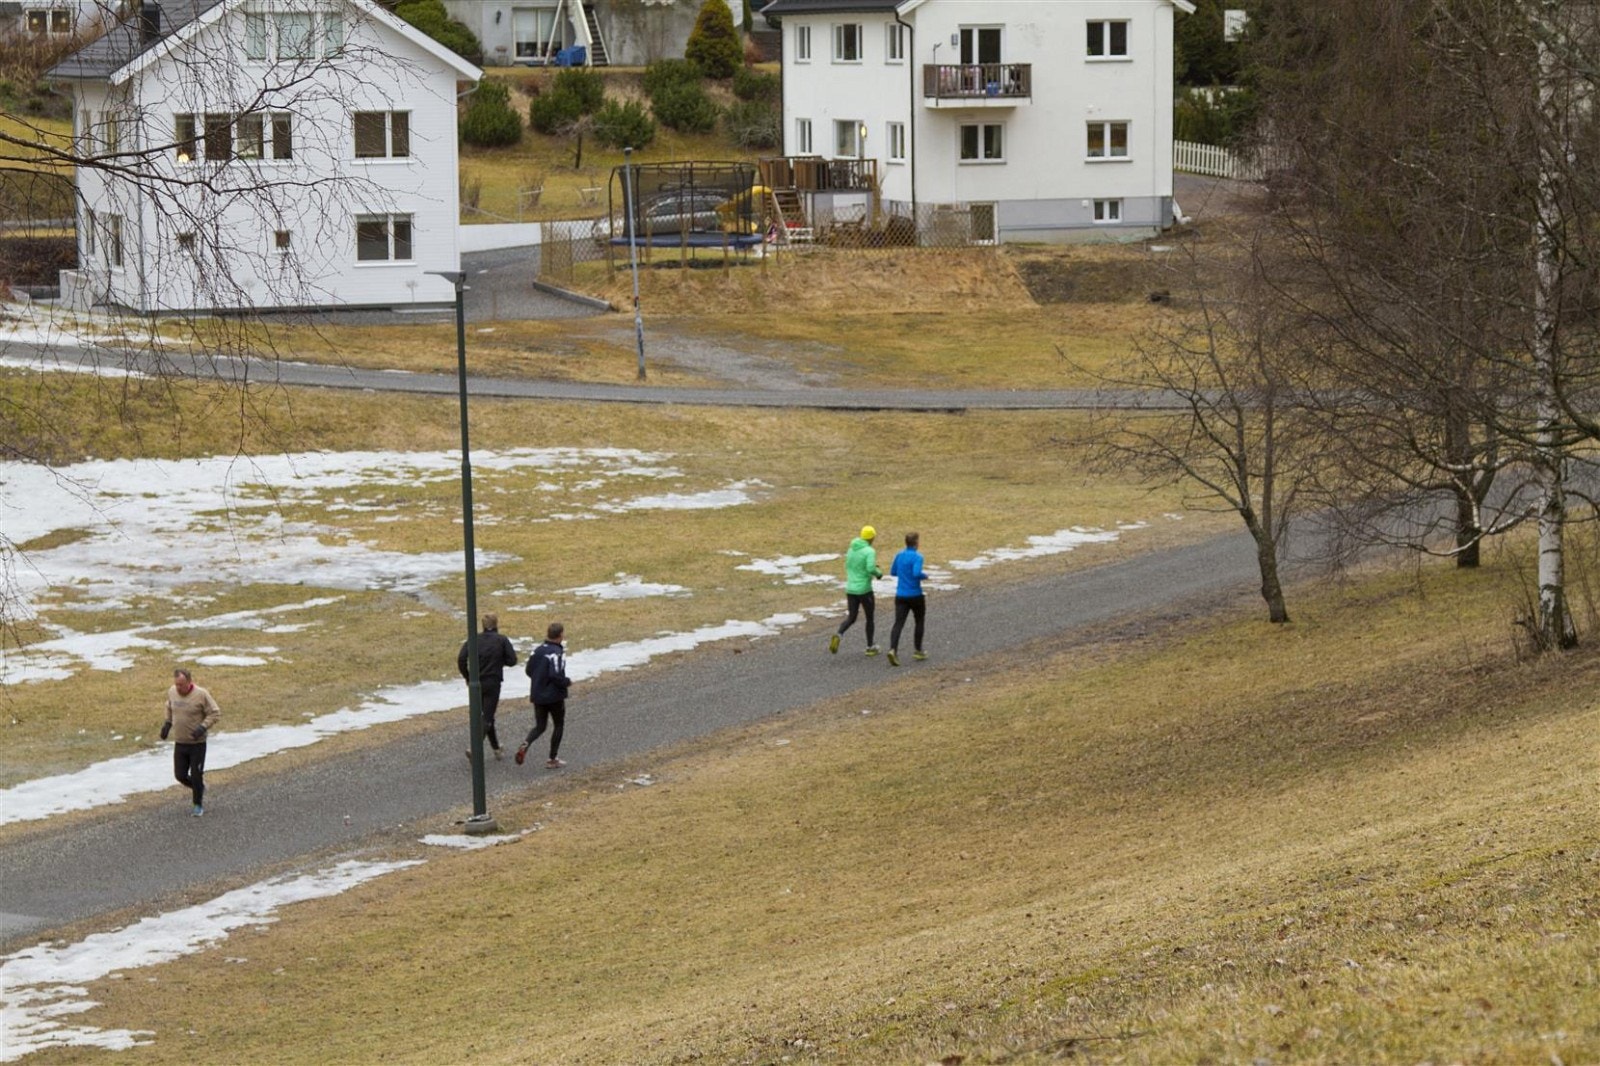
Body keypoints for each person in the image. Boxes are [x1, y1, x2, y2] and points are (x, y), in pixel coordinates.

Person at [458, 612, 518, 760]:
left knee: (486, 717)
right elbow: (512, 660)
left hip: (476, 683)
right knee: (488, 717)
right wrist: (499, 661)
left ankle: (497, 748)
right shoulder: (501, 640)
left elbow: (461, 659)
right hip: (493, 682)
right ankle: (474, 748)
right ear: (496, 624)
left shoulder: (474, 640)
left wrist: (468, 676)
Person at [161, 667, 220, 816]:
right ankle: (199, 787)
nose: (178, 688)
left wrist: (202, 727)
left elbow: (215, 713)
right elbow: (169, 706)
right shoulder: (172, 691)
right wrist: (167, 724)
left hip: (197, 744)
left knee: (196, 774)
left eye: (181, 685)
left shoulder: (201, 694)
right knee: (180, 775)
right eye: (176, 684)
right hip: (180, 742)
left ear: (189, 682)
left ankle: (197, 805)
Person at [518, 622, 571, 769]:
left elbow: (529, 670)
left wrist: (539, 681)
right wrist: (566, 682)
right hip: (554, 696)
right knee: (558, 724)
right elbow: (556, 674)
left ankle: (526, 743)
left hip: (538, 694)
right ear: (560, 635)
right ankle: (552, 758)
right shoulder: (557, 653)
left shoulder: (537, 651)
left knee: (540, 726)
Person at [830, 524, 883, 656]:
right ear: (872, 538)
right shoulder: (870, 551)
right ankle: (870, 646)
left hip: (851, 589)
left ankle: (839, 634)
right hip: (864, 589)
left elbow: (850, 564)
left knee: (852, 617)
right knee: (869, 618)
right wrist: (878, 573)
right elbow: (870, 568)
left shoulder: (851, 549)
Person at [887, 531, 928, 667]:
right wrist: (924, 576)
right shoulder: (917, 557)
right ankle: (918, 649)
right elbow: (916, 573)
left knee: (898, 623)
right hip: (915, 594)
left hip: (901, 595)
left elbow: (893, 572)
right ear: (916, 543)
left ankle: (893, 649)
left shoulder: (899, 555)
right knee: (919, 621)